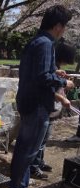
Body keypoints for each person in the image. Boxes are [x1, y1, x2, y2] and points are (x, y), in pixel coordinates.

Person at [10, 5, 74, 188]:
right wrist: (65, 83)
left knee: (23, 148)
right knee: (28, 150)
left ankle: (17, 186)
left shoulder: (35, 41)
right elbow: (42, 77)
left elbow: (39, 73)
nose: (64, 30)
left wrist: (56, 73)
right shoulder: (46, 44)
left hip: (27, 101)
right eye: (64, 26)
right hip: (37, 104)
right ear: (57, 26)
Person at [30, 42, 76, 180]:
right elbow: (46, 90)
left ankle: (39, 162)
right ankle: (33, 168)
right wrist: (62, 99)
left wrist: (62, 82)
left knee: (44, 140)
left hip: (52, 110)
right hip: (45, 107)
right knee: (38, 142)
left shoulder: (55, 67)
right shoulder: (50, 66)